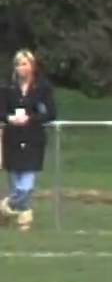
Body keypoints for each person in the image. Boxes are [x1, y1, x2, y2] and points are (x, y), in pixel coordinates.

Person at [0, 50, 57, 231]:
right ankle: (24, 220)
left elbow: (51, 113)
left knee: (26, 187)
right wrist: (9, 119)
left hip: (33, 139)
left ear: (32, 66)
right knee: (16, 182)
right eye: (18, 64)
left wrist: (31, 119)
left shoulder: (42, 88)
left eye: (25, 64)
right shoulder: (7, 88)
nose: (21, 68)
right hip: (12, 139)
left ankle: (4, 206)